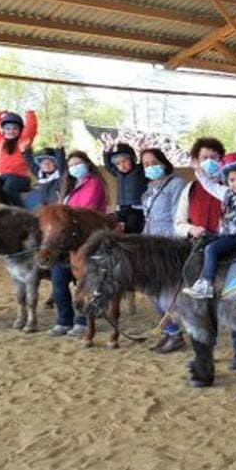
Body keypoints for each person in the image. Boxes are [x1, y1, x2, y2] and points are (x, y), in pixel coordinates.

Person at [174, 138, 236, 369]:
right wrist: (191, 229)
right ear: (196, 161)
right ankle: (205, 349)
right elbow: (178, 223)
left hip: (234, 248)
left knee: (235, 297)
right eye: (204, 158)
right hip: (201, 247)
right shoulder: (190, 189)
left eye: (214, 158)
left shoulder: (234, 185)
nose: (209, 162)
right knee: (201, 303)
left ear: (222, 160)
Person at [183, 151, 236, 299]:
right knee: (200, 243)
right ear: (227, 181)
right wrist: (198, 170)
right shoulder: (227, 194)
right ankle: (196, 280)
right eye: (232, 180)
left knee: (211, 249)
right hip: (226, 234)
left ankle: (207, 284)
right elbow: (209, 185)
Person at [49, 151, 108, 337]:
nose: (75, 167)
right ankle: (63, 320)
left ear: (87, 164)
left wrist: (64, 216)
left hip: (86, 238)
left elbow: (85, 210)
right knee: (58, 281)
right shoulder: (67, 186)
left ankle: (82, 320)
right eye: (71, 165)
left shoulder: (94, 183)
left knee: (83, 282)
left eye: (78, 163)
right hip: (65, 239)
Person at [141, 148, 188, 354]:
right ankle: (170, 331)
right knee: (152, 292)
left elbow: (178, 217)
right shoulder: (150, 187)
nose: (150, 167)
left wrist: (171, 247)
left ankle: (176, 334)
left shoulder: (176, 184)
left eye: (153, 162)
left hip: (167, 247)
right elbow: (148, 219)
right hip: (150, 246)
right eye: (146, 164)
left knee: (166, 293)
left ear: (163, 162)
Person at [0, 110, 37, 203]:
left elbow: (31, 128)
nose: (11, 131)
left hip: (19, 177)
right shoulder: (0, 141)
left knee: (8, 188)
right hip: (1, 176)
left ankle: (19, 209)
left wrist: (30, 114)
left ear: (20, 130)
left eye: (15, 128)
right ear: (4, 130)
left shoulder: (23, 141)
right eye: (8, 128)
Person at [102, 140, 148, 234]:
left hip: (137, 208)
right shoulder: (118, 173)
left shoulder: (139, 171)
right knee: (110, 222)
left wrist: (143, 153)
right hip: (123, 207)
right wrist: (106, 153)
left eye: (125, 161)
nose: (122, 166)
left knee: (132, 227)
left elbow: (145, 163)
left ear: (132, 159)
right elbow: (109, 167)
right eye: (118, 164)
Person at [22, 139, 65, 211]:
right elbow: (30, 162)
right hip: (45, 206)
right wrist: (26, 150)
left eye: (50, 162)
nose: (46, 165)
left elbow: (61, 162)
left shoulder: (60, 174)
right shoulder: (40, 174)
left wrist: (59, 150)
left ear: (55, 164)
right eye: (43, 162)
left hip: (58, 206)